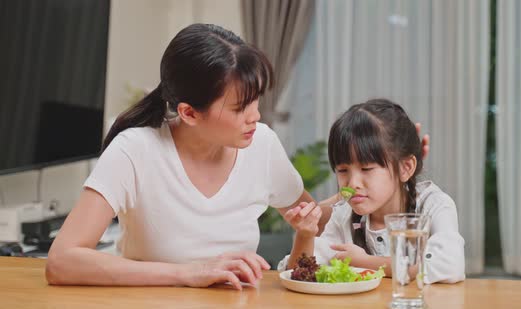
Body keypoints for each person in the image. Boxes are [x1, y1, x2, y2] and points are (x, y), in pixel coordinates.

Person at [46, 23, 327, 290]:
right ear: (189, 113)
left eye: (256, 100)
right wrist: (190, 273)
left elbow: (316, 221)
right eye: (240, 107)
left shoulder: (262, 144)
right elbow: (62, 261)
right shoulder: (135, 150)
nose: (255, 116)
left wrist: (362, 200)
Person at [280, 99, 465, 284]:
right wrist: (304, 235)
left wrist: (365, 261)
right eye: (343, 170)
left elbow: (449, 264)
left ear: (405, 168)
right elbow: (299, 273)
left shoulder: (434, 204)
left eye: (367, 169)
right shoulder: (344, 215)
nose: (352, 183)